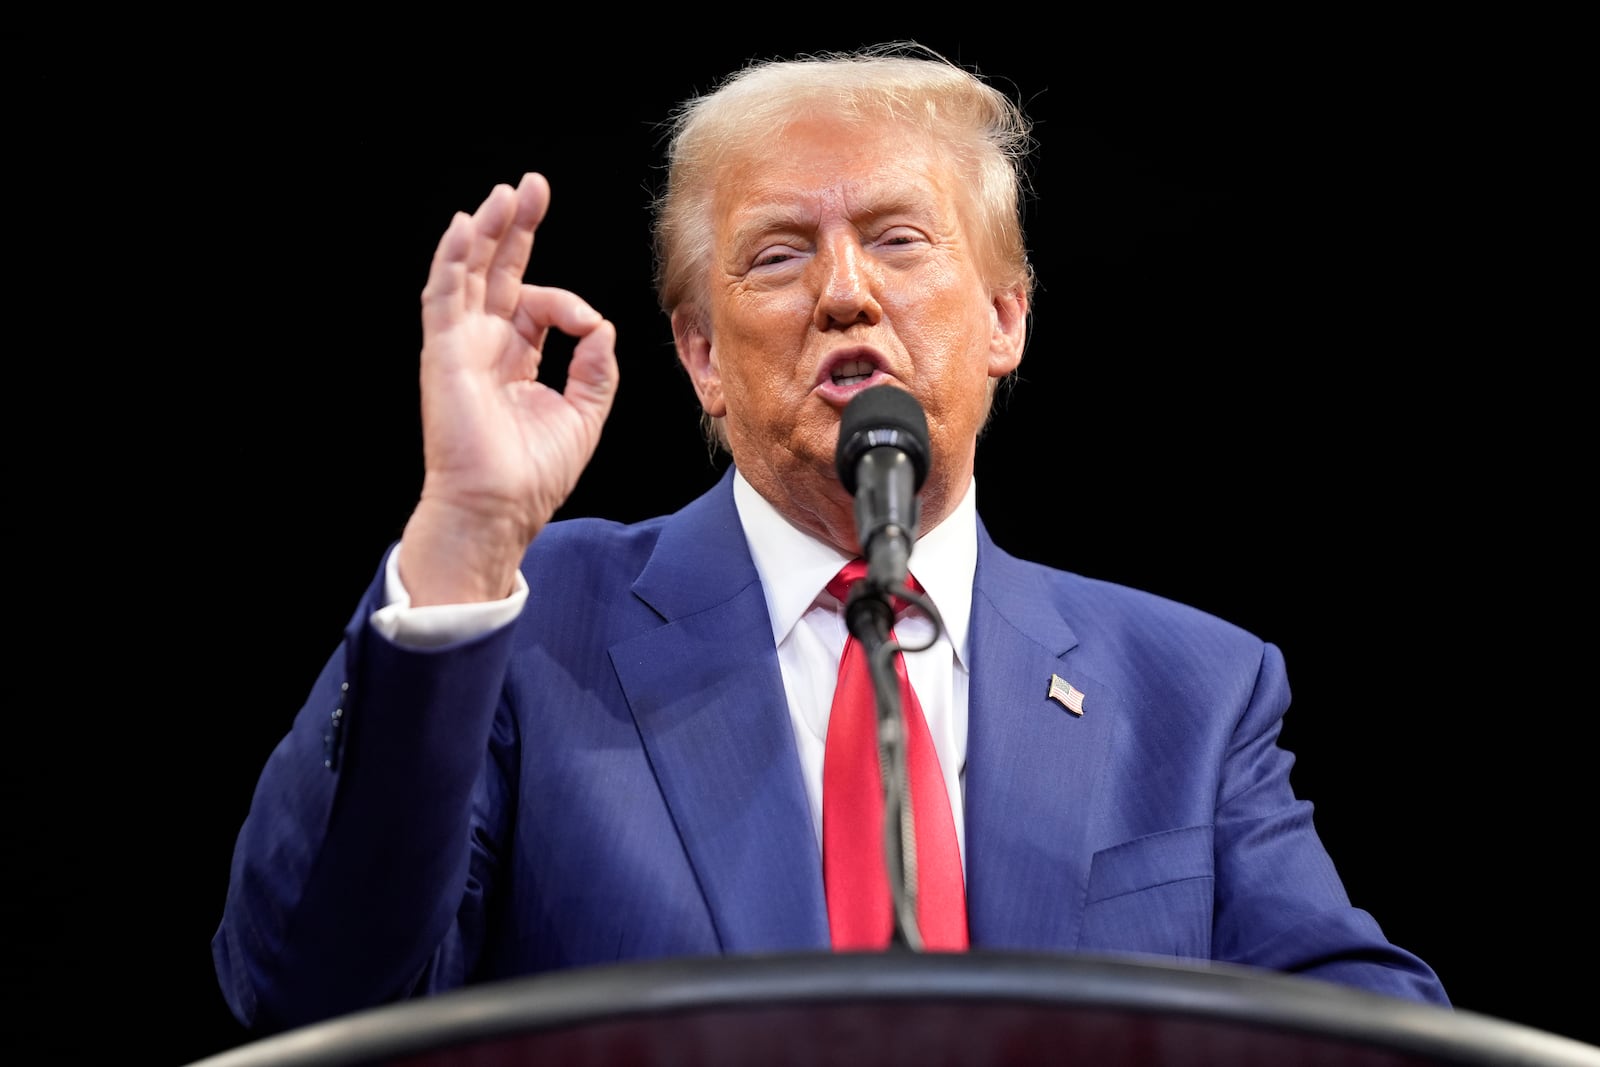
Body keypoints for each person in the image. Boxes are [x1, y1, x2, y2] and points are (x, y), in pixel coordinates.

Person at [211, 40, 1450, 1035]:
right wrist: (466, 536)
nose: (844, 291)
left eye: (899, 240)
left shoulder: (1188, 688)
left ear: (1005, 317)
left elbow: (1360, 1026)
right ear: (700, 354)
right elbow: (310, 992)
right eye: (777, 254)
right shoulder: (540, 626)